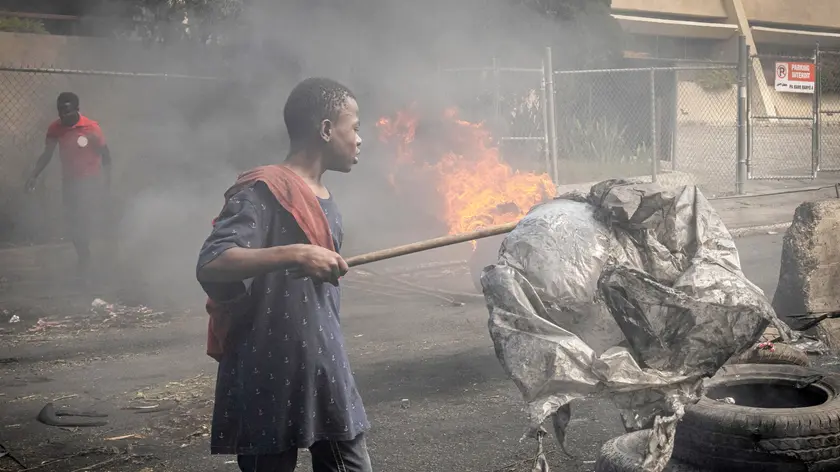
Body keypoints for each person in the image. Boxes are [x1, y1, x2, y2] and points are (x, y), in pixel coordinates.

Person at [196, 77, 370, 472]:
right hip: (267, 370)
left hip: (323, 364)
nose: (360, 139)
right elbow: (213, 261)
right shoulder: (264, 190)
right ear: (326, 129)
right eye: (355, 127)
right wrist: (296, 253)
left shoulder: (326, 199)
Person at [25, 92, 111, 273]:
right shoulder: (55, 128)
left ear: (77, 109)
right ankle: (84, 256)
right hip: (70, 181)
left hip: (90, 181)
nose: (63, 115)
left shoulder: (91, 128)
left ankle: (102, 256)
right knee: (73, 221)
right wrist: (34, 174)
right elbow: (47, 154)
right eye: (60, 111)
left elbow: (106, 156)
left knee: (85, 219)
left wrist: (107, 183)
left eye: (66, 111)